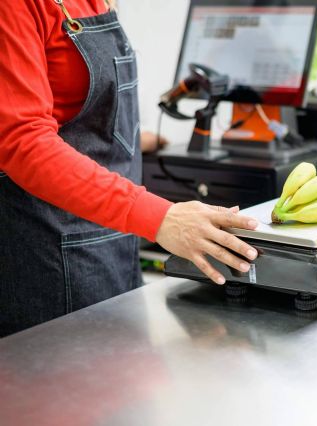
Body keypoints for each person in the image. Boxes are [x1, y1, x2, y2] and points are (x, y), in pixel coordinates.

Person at [0, 0, 258, 337]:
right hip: (45, 249)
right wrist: (160, 217)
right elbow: (20, 140)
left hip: (112, 238)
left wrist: (126, 137)